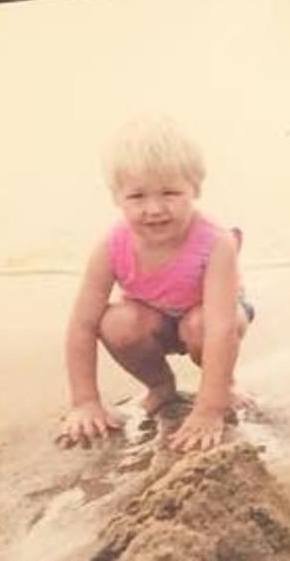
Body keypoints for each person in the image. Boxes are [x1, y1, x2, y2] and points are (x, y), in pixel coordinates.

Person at [56, 116, 253, 452]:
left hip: (212, 315)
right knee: (115, 322)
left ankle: (225, 384)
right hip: (152, 316)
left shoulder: (216, 243)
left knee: (201, 325)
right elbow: (82, 325)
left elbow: (221, 329)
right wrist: (85, 402)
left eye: (170, 192)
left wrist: (209, 410)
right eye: (137, 196)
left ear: (196, 188)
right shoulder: (111, 246)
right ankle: (161, 387)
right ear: (116, 197)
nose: (155, 208)